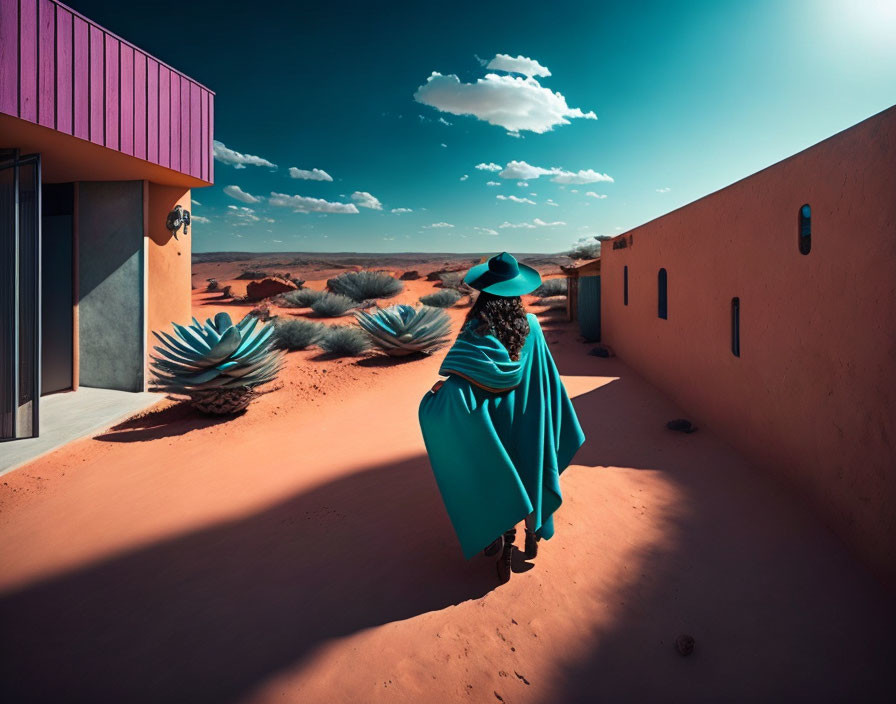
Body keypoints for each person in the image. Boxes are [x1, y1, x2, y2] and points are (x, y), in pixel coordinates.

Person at [418, 252, 586, 583]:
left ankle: (502, 541)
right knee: (530, 468)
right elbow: (545, 377)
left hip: (491, 424)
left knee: (496, 474)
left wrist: (440, 395)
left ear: (485, 293)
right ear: (517, 290)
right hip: (528, 419)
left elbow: (463, 381)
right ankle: (531, 533)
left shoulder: (474, 331)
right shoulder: (534, 327)